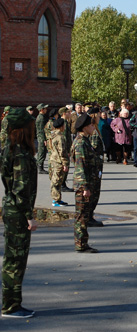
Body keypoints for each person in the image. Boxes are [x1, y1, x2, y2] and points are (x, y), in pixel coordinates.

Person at [1, 108, 38, 318]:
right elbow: (20, 189)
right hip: (18, 212)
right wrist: (29, 216)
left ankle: (11, 303)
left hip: (11, 208)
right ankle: (11, 306)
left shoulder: (10, 149)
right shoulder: (21, 154)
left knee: (12, 259)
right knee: (16, 260)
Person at [71, 113, 100, 253]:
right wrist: (85, 187)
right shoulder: (81, 143)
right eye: (91, 125)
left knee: (84, 214)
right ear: (84, 127)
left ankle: (82, 242)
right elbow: (80, 166)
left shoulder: (85, 140)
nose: (93, 127)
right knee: (81, 215)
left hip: (87, 183)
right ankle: (81, 244)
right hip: (83, 185)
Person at [49, 118, 70, 207]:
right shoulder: (60, 137)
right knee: (57, 180)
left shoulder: (52, 135)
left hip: (53, 158)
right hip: (58, 160)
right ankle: (56, 199)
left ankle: (57, 198)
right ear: (62, 126)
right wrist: (65, 163)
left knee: (55, 179)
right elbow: (62, 151)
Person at [35, 103, 49, 174]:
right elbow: (41, 130)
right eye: (45, 108)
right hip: (41, 137)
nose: (46, 110)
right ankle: (40, 168)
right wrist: (44, 139)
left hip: (41, 137)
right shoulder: (41, 118)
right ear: (41, 110)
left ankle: (40, 166)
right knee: (42, 152)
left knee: (42, 152)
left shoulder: (42, 116)